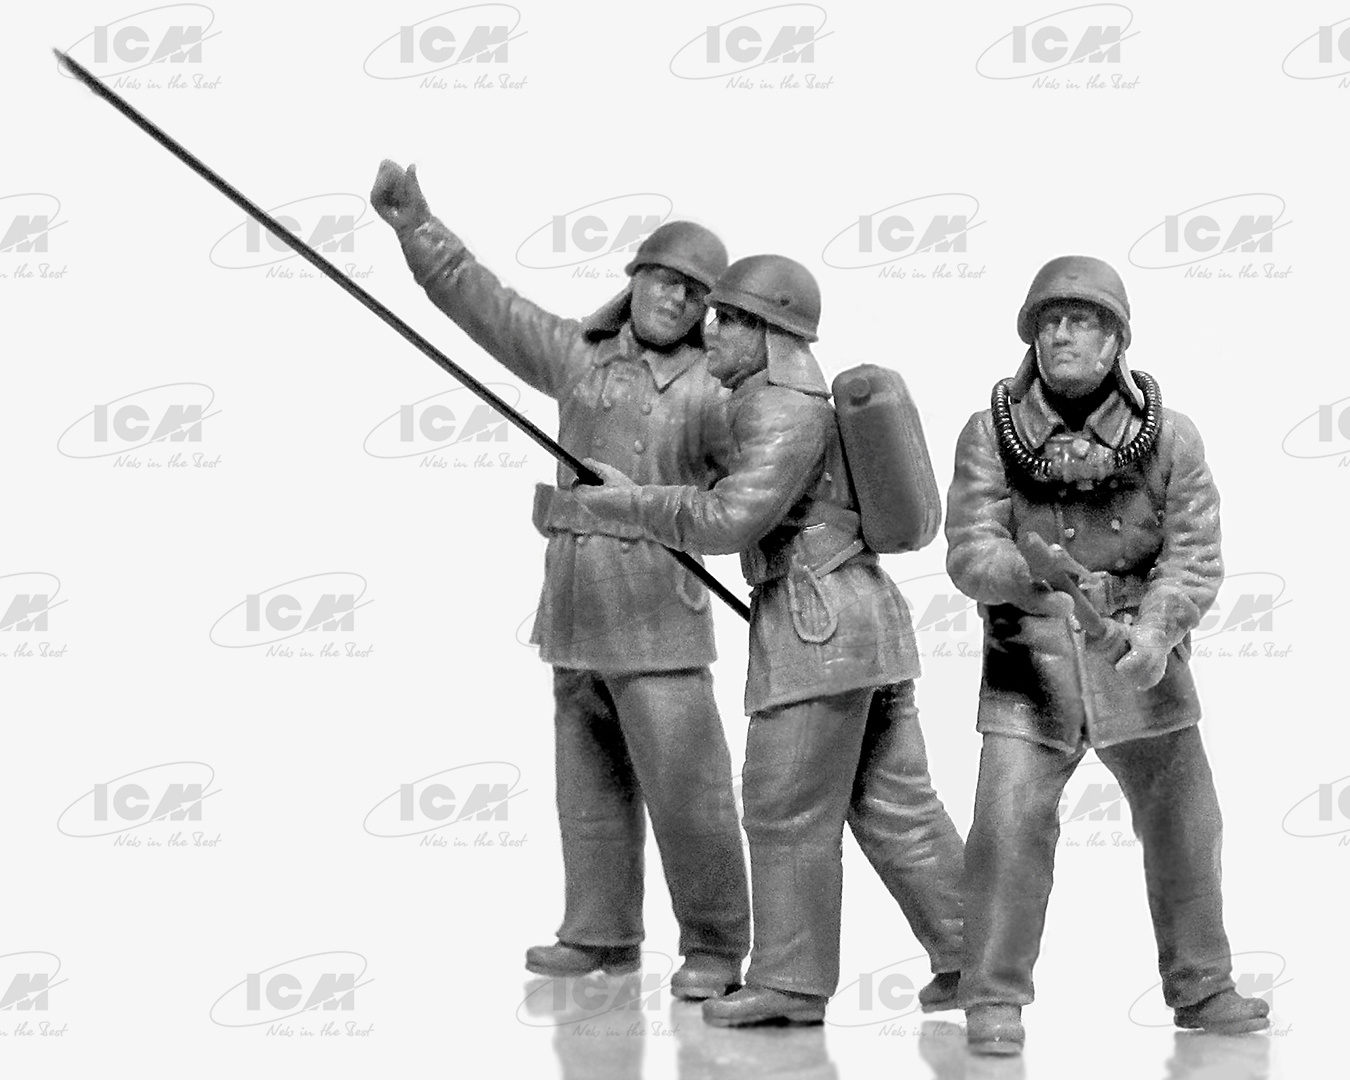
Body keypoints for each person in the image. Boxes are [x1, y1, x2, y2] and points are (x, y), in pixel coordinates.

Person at [370, 161, 750, 998]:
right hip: (577, 604)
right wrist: (416, 226)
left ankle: (717, 944)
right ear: (635, 279)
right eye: (664, 279)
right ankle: (600, 929)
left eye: (694, 291)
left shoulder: (715, 391)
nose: (675, 298)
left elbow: (747, 497)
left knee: (688, 794)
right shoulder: (579, 357)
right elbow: (483, 302)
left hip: (658, 613)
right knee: (587, 788)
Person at [575, 254, 965, 1026]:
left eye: (729, 319)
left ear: (769, 334)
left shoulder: (780, 408)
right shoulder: (780, 402)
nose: (710, 331)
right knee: (893, 804)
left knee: (785, 807)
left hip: (818, 630)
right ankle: (978, 956)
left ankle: (790, 982)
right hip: (859, 623)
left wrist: (630, 505)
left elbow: (730, 520)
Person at [945, 255, 1271, 1054]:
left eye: (1082, 320)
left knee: (1188, 822)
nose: (1063, 334)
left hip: (1136, 654)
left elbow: (1193, 556)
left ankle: (1203, 984)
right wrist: (1023, 576)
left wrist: (1157, 634)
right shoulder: (990, 431)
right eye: (1050, 321)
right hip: (1030, 658)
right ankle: (992, 997)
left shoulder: (1171, 435)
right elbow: (969, 547)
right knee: (1006, 825)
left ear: (1116, 337)